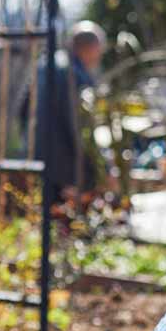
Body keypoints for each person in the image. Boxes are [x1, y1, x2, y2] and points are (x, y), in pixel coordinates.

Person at [33, 20, 107, 210]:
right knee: (68, 214)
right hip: (67, 161)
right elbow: (80, 124)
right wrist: (95, 165)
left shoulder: (45, 63)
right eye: (99, 49)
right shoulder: (76, 75)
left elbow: (24, 108)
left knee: (47, 212)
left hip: (39, 151)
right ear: (90, 48)